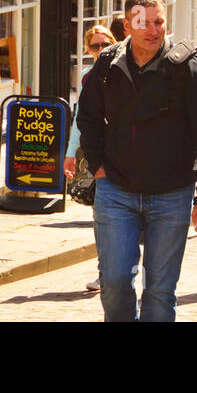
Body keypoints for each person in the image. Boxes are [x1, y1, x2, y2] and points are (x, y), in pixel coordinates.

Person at [77, 0, 197, 322]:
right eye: (144, 23)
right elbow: (87, 118)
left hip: (172, 194)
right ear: (127, 25)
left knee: (160, 289)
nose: (153, 30)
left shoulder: (187, 68)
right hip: (116, 191)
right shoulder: (107, 63)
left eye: (159, 22)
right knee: (113, 282)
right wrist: (97, 165)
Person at [64, 24, 117, 293]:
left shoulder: (123, 71)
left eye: (104, 43)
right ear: (87, 49)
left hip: (123, 153)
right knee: (100, 213)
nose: (100, 49)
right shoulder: (86, 76)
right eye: (95, 45)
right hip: (95, 153)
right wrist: (71, 153)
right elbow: (79, 120)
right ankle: (105, 272)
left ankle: (123, 266)